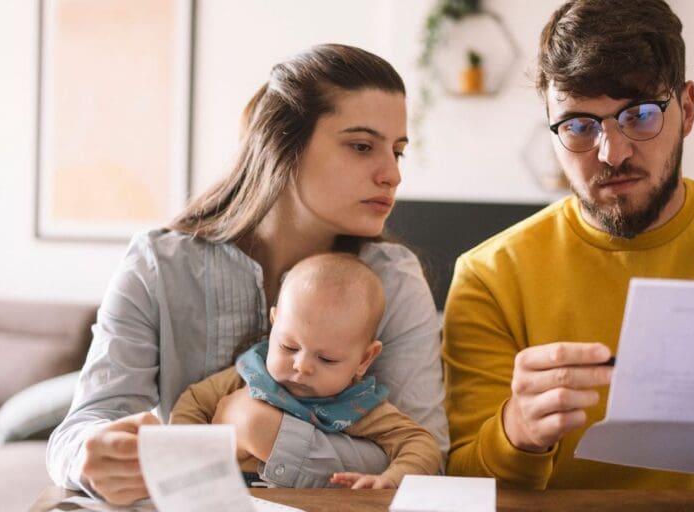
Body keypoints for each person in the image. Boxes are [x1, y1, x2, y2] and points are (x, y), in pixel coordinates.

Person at [441, 0, 694, 490]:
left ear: (688, 109)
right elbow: (457, 485)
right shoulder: (490, 277)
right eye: (578, 126)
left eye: (639, 115)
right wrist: (517, 433)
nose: (612, 153)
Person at [47, 44, 448, 505]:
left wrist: (262, 430)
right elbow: (78, 431)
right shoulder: (158, 265)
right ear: (282, 146)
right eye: (362, 146)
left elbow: (427, 456)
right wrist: (91, 457)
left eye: (397, 151)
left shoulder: (393, 280)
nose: (392, 174)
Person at [170, 253, 440, 490]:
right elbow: (192, 402)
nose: (302, 366)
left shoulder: (358, 406)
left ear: (364, 359)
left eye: (326, 359)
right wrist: (184, 460)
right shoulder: (250, 374)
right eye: (289, 347)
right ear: (274, 324)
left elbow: (421, 444)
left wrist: (392, 478)